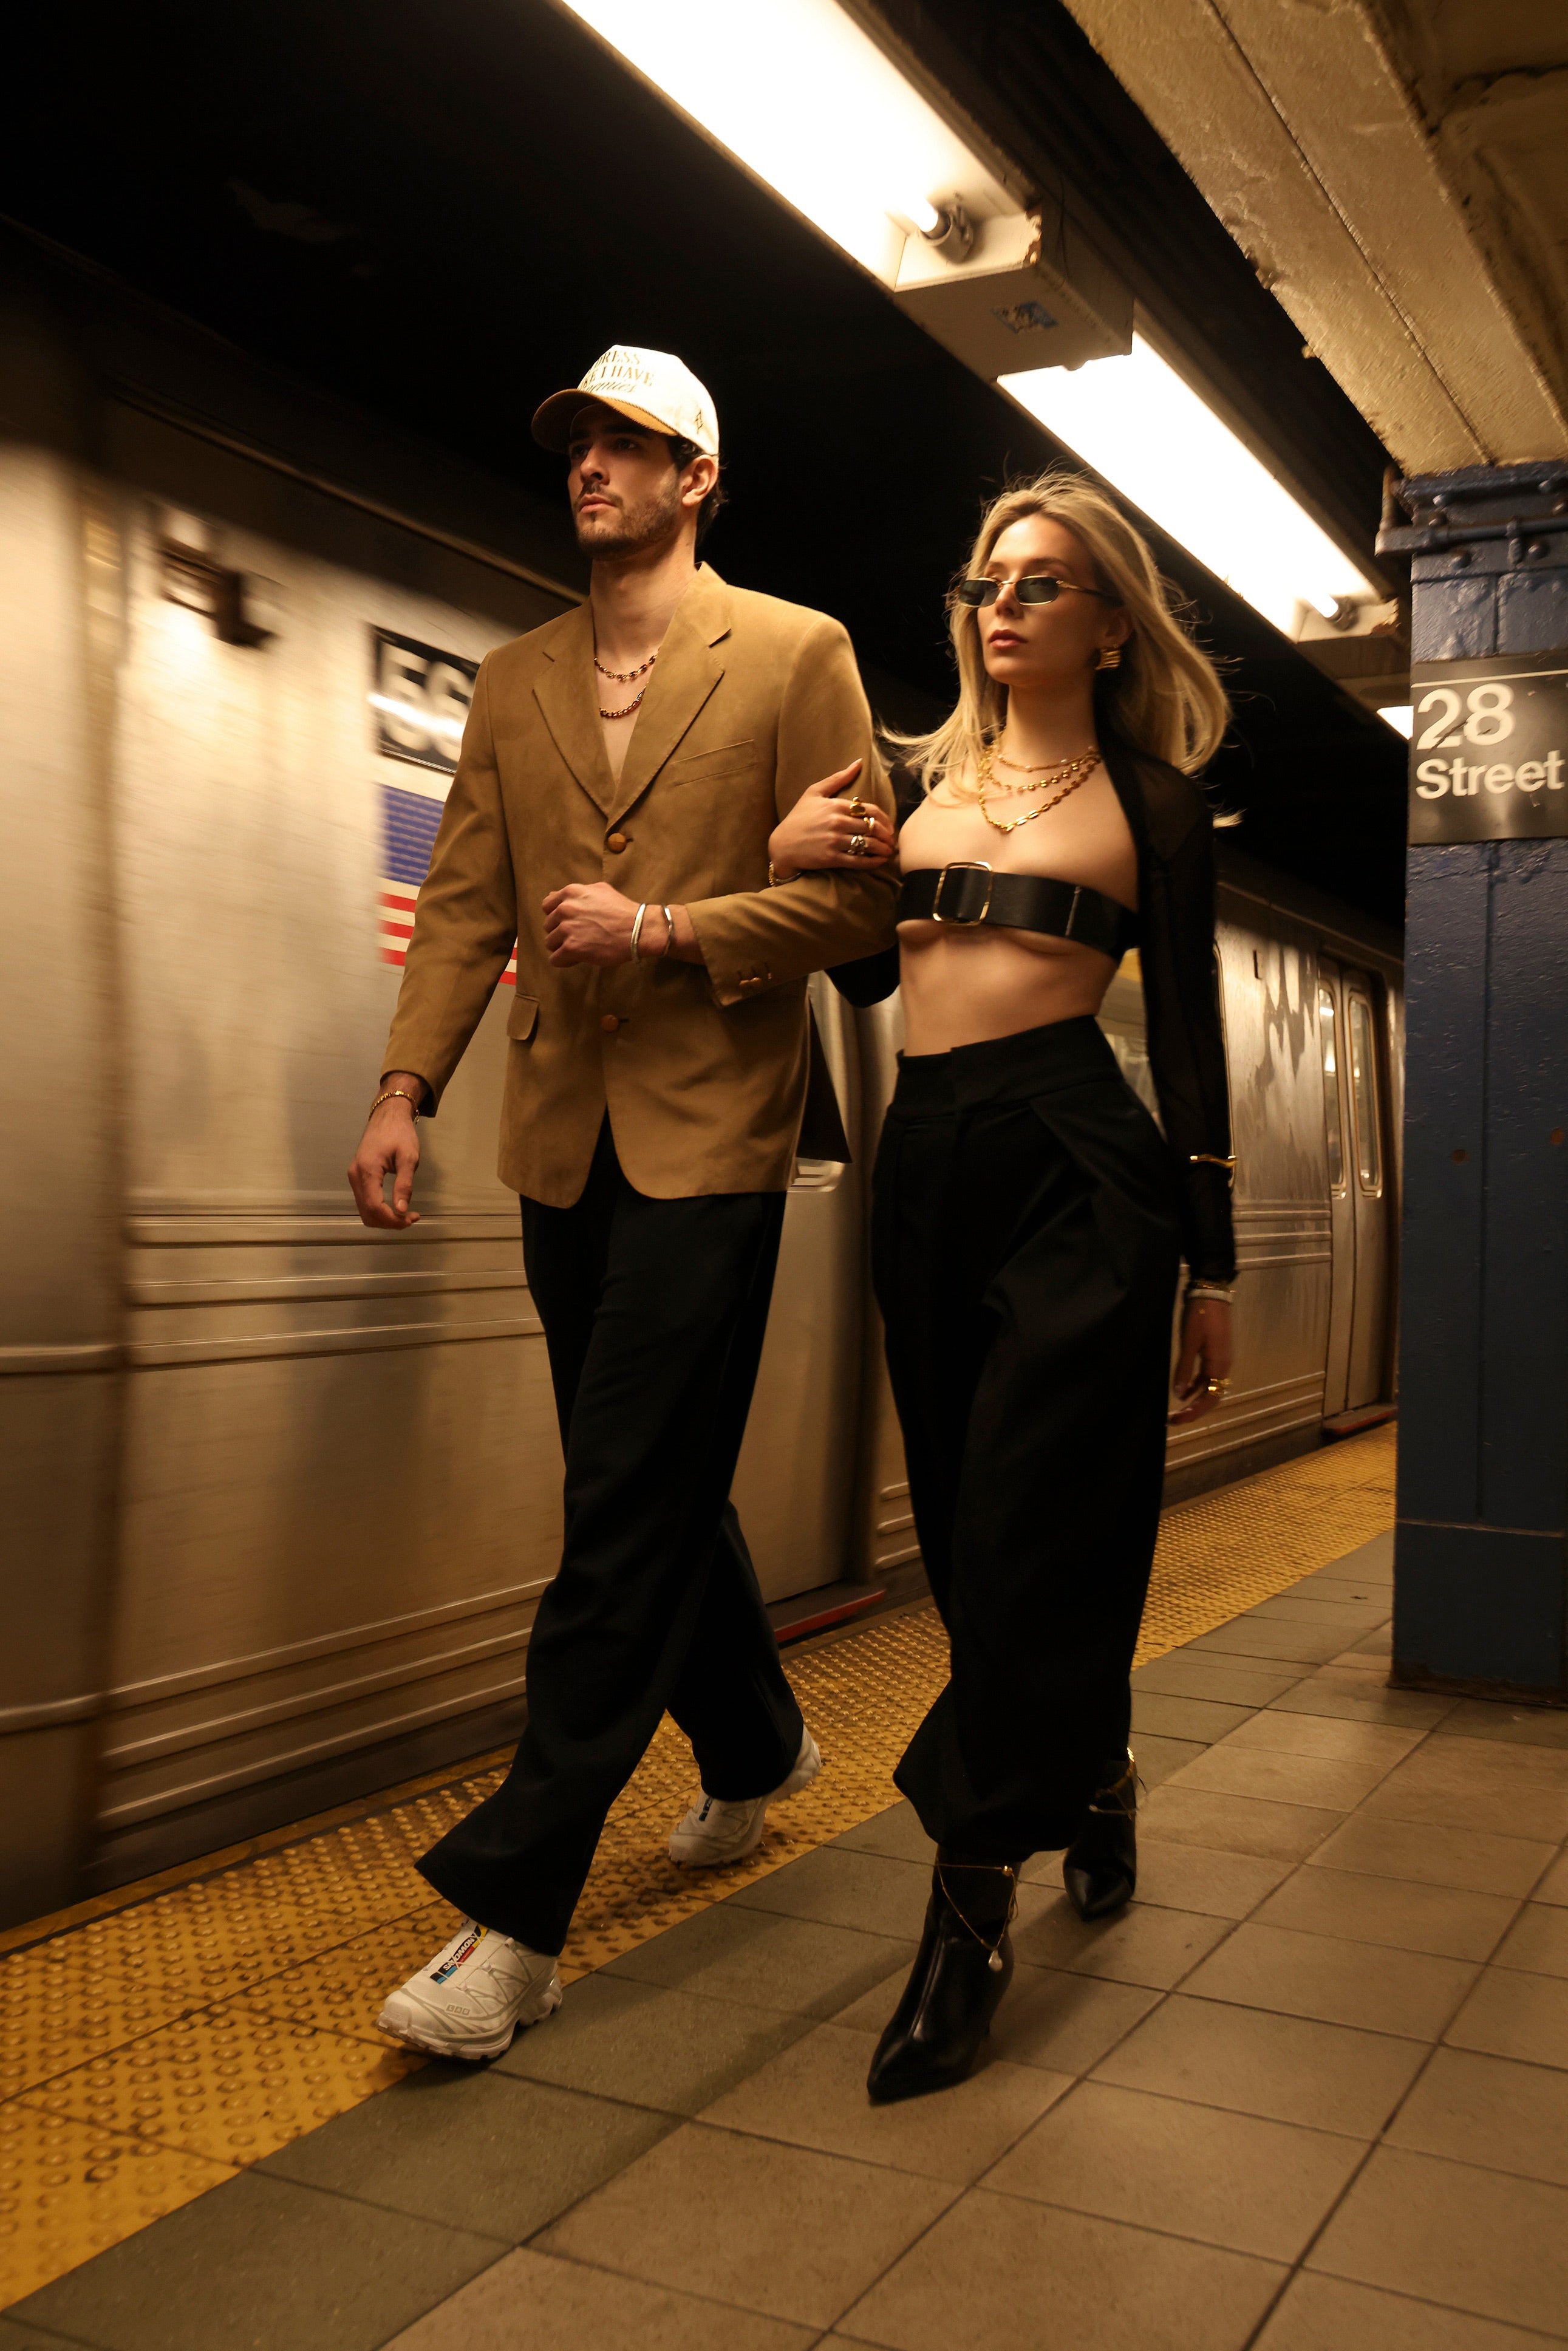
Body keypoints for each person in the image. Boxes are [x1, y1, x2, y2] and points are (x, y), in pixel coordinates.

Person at [346, 345, 897, 2060]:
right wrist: (406, 1089)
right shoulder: (515, 678)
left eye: (629, 443)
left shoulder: (796, 654)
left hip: (714, 1137)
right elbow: (464, 905)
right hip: (558, 1138)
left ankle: (515, 1919)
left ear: (697, 477)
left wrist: (667, 928)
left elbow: (864, 921)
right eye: (578, 441)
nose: (591, 463)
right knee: (639, 1480)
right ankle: (756, 1744)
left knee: (616, 1510)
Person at [766, 469, 1235, 2102]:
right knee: (972, 1532)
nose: (1004, 603)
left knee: (1032, 1518)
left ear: (1110, 625)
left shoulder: (1156, 805)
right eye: (988, 580)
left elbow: (1190, 1038)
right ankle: (1091, 1762)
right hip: (929, 1160)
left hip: (1079, 1161)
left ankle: (968, 1913)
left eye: (1042, 582)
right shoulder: (909, 783)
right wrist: (789, 852)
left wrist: (1214, 1264)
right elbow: (857, 970)